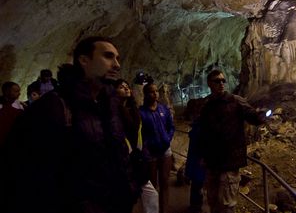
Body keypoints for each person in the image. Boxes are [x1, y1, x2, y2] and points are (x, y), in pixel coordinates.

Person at [4, 36, 134, 213]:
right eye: (108, 56)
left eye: (117, 58)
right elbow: (25, 171)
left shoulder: (111, 106)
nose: (117, 64)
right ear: (84, 60)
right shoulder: (54, 106)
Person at [197, 69, 266, 213]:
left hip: (229, 161)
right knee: (213, 201)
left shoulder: (236, 101)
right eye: (217, 81)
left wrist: (260, 116)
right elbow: (203, 132)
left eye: (223, 80)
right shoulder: (207, 105)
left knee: (228, 204)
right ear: (210, 84)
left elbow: (252, 116)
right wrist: (202, 156)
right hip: (212, 162)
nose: (221, 83)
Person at [114, 79, 159, 213]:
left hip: (137, 158)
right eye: (121, 87)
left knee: (151, 194)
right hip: (123, 159)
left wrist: (142, 152)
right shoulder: (114, 113)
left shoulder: (134, 111)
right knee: (126, 199)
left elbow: (140, 133)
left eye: (127, 86)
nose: (126, 89)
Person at [139, 80, 175, 213]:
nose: (155, 94)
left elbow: (171, 126)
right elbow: (140, 134)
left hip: (165, 151)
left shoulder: (163, 109)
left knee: (165, 183)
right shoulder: (141, 113)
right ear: (145, 94)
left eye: (156, 91)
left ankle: (164, 210)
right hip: (151, 154)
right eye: (151, 92)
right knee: (153, 186)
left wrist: (167, 138)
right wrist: (146, 148)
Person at [0, 82, 24, 148]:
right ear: (7, 92)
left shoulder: (19, 105)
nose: (19, 93)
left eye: (19, 91)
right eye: (16, 91)